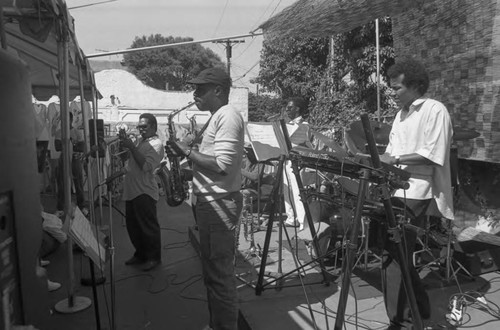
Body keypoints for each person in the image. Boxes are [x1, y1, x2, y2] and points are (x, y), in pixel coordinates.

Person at [166, 67, 244, 330]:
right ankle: (217, 324)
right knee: (213, 274)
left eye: (200, 89)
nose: (194, 93)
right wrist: (183, 169)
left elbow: (222, 165)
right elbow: (212, 167)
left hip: (218, 205)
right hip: (211, 202)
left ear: (219, 90)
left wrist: (186, 151)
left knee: (220, 276)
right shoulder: (216, 116)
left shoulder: (228, 115)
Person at [379, 58, 454, 329]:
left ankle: (401, 321)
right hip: (396, 189)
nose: (393, 92)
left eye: (397, 88)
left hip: (417, 191)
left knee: (395, 257)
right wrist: (376, 159)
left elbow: (434, 156)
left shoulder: (434, 110)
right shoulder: (399, 115)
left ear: (415, 86)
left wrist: (394, 159)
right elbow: (391, 152)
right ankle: (419, 310)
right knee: (395, 253)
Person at [120, 113, 164, 271]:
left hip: (144, 192)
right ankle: (140, 254)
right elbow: (130, 159)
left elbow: (146, 166)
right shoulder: (141, 141)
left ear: (153, 126)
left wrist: (131, 147)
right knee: (134, 227)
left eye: (144, 127)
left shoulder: (157, 144)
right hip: (132, 190)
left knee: (148, 227)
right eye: (140, 126)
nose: (141, 129)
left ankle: (153, 258)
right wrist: (125, 144)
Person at [281, 97, 314, 231]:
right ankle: (291, 217)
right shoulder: (287, 124)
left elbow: (303, 143)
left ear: (297, 109)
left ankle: (302, 221)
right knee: (286, 189)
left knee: (296, 191)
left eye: (290, 108)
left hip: (296, 161)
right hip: (286, 160)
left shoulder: (304, 125)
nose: (287, 110)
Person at [54, 112, 85, 213]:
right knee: (62, 184)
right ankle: (60, 208)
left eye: (67, 120)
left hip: (75, 158)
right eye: (63, 120)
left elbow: (82, 147)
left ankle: (82, 206)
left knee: (78, 184)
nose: (64, 122)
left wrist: (68, 144)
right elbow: (57, 147)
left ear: (71, 120)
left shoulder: (77, 132)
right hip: (63, 158)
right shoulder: (59, 132)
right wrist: (72, 143)